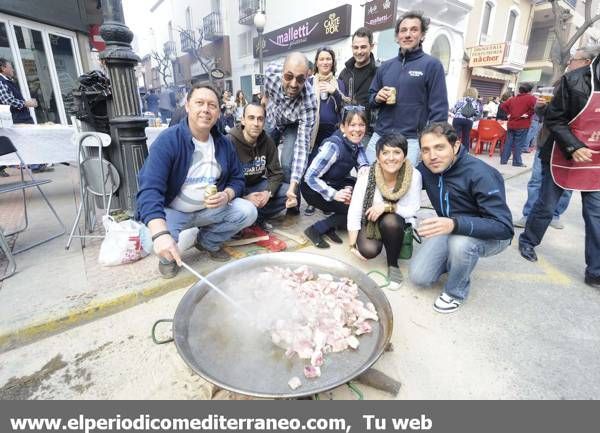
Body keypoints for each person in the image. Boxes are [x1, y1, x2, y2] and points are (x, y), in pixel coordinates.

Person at [136, 84, 257, 278]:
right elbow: (149, 189)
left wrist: (226, 195)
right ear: (187, 106)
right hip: (173, 211)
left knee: (248, 211)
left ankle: (207, 242)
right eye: (199, 103)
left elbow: (238, 179)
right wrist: (160, 234)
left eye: (212, 105)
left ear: (218, 112)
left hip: (209, 210)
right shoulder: (168, 140)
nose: (205, 110)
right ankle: (168, 258)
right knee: (152, 241)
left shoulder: (224, 143)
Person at [409, 122, 513, 313]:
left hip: (491, 235)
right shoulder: (427, 169)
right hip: (451, 227)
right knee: (419, 277)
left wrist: (455, 224)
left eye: (439, 147)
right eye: (426, 150)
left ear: (455, 146)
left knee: (461, 245)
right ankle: (457, 263)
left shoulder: (481, 174)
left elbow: (504, 227)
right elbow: (403, 180)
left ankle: (455, 292)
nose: (432, 156)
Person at [518, 51, 600, 290]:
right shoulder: (574, 80)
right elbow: (554, 119)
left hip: (595, 160)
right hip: (562, 153)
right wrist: (573, 146)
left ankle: (595, 270)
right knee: (547, 205)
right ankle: (528, 241)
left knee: (596, 216)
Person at [368, 10, 448, 165]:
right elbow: (370, 98)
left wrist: (432, 143)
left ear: (422, 35)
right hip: (380, 136)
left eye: (414, 30)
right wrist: (377, 97)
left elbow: (439, 110)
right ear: (397, 37)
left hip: (410, 140)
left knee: (403, 187)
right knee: (369, 179)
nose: (407, 34)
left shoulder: (432, 65)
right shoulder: (385, 67)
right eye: (403, 30)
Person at [347, 133, 422, 285]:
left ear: (405, 155)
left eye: (397, 152)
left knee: (391, 221)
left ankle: (393, 265)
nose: (391, 158)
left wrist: (388, 207)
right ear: (378, 156)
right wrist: (352, 244)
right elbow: (355, 208)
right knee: (368, 250)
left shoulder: (414, 175)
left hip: (398, 218)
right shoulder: (367, 175)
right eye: (385, 152)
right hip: (372, 220)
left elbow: (413, 209)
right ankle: (384, 237)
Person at [301, 107, 369, 248]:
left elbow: (360, 153)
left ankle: (331, 226)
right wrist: (335, 194)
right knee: (353, 207)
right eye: (353, 125)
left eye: (361, 125)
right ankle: (315, 229)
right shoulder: (333, 147)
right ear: (343, 127)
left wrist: (363, 166)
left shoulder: (355, 142)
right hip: (313, 189)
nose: (357, 129)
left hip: (333, 181)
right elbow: (310, 177)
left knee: (364, 196)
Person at [264, 52, 317, 214]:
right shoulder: (270, 74)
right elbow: (266, 91)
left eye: (300, 79)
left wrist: (293, 185)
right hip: (273, 119)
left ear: (307, 78)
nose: (294, 84)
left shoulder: (309, 102)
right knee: (260, 156)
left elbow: (302, 149)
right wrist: (265, 100)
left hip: (294, 124)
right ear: (282, 73)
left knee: (287, 163)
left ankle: (292, 202)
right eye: (288, 77)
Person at [228, 102, 289, 228]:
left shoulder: (267, 141)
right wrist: (244, 197)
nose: (256, 123)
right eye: (251, 118)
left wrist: (268, 192)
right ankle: (244, 217)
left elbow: (276, 173)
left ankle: (255, 218)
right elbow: (221, 181)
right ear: (243, 120)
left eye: (260, 119)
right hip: (235, 189)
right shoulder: (229, 141)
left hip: (256, 185)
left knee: (288, 192)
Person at [304, 47, 347, 216]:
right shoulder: (309, 82)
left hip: (332, 133)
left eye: (328, 59)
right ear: (316, 62)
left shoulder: (339, 83)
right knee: (312, 168)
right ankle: (312, 201)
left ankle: (326, 202)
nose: (325, 62)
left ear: (333, 62)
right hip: (314, 135)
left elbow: (345, 107)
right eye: (321, 59)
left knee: (329, 170)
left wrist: (334, 91)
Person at [338, 27, 378, 147]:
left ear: (372, 46)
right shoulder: (345, 72)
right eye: (356, 47)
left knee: (364, 165)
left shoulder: (379, 72)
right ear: (352, 47)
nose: (359, 51)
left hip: (367, 134)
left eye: (363, 47)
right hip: (345, 131)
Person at [0, 57, 40, 175]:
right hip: (16, 117)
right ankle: (35, 163)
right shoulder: (1, 81)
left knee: (28, 139)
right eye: (10, 67)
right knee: (27, 138)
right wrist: (26, 103)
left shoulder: (7, 80)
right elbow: (7, 101)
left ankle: (36, 163)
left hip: (21, 116)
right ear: (2, 68)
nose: (13, 69)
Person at [499, 83, 536, 167]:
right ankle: (517, 162)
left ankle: (503, 160)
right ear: (530, 91)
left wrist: (509, 113)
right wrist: (528, 114)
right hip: (522, 124)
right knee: (518, 143)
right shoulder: (531, 98)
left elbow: (503, 106)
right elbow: (536, 108)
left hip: (511, 124)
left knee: (508, 142)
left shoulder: (513, 99)